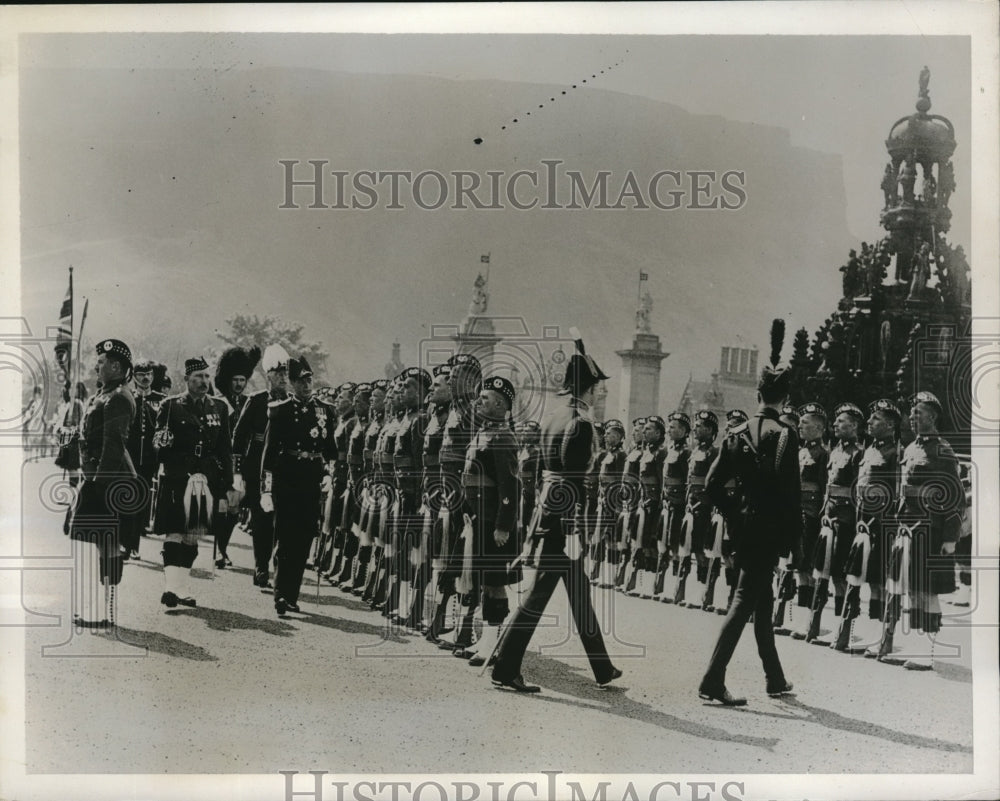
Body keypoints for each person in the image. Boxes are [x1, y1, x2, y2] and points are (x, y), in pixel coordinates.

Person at [491, 328, 622, 693]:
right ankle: (505, 667)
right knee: (537, 595)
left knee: (578, 591)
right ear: (588, 389)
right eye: (595, 388)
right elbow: (572, 483)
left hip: (547, 513)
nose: (596, 395)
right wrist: (574, 529)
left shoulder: (552, 416)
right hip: (563, 520)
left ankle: (602, 666)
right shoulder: (580, 424)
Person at [698, 340, 800, 706]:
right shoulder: (786, 435)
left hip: (742, 529)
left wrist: (735, 514)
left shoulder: (735, 435)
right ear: (784, 398)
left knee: (761, 599)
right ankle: (712, 680)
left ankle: (774, 677)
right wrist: (792, 542)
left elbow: (711, 485)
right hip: (769, 531)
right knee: (744, 601)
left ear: (758, 394)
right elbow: (791, 496)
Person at [876, 391, 963, 670]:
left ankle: (927, 650)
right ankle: (915, 644)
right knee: (912, 589)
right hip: (908, 528)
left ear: (933, 416)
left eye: (918, 412)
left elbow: (955, 498)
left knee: (928, 591)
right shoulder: (911, 448)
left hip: (931, 529)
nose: (912, 417)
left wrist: (950, 538)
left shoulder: (943, 451)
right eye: (911, 412)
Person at [153, 356, 234, 609]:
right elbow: (158, 444)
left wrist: (228, 484)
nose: (203, 381)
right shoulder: (170, 405)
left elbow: (225, 448)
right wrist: (161, 442)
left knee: (192, 535)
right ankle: (170, 587)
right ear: (186, 379)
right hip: (178, 476)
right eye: (198, 377)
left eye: (207, 376)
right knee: (174, 530)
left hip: (205, 477)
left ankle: (181, 587)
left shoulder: (219, 407)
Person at [261, 356, 337, 616]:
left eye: (309, 379)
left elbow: (331, 452)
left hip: (311, 480)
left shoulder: (325, 410)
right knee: (285, 537)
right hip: (287, 478)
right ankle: (281, 594)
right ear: (291, 383)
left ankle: (291, 595)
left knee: (304, 539)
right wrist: (266, 489)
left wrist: (329, 475)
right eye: (301, 381)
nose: (306, 385)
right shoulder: (280, 410)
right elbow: (269, 454)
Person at [68, 339, 136, 628]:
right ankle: (101, 607)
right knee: (100, 542)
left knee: (103, 542)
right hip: (99, 476)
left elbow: (113, 444)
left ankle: (101, 610)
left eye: (102, 362)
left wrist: (99, 484)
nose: (97, 365)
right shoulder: (105, 393)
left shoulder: (118, 397)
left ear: (116, 366)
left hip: (107, 480)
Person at [456, 376, 518, 667]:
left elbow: (510, 487)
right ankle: (485, 638)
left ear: (501, 404)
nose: (479, 401)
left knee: (494, 581)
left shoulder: (503, 437)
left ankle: (492, 642)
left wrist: (503, 525)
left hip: (493, 521)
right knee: (483, 579)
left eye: (486, 398)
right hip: (477, 517)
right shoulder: (483, 432)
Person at [232, 344, 288, 589]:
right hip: (257, 469)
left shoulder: (292, 403)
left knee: (282, 520)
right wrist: (237, 471)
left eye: (286, 374)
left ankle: (278, 566)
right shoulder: (256, 401)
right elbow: (238, 437)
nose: (283, 378)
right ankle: (261, 566)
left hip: (285, 469)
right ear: (269, 376)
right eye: (278, 374)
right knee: (262, 519)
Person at [807, 402, 863, 644]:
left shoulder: (858, 453)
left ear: (854, 425)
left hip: (846, 521)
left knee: (840, 575)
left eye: (841, 421)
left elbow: (858, 493)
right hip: (828, 519)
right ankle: (818, 625)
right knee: (822, 572)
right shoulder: (835, 452)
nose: (836, 425)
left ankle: (843, 628)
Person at [211, 346, 260, 569]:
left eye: (243, 380)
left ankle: (223, 547)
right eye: (235, 380)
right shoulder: (218, 402)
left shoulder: (250, 403)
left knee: (234, 508)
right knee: (221, 506)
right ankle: (218, 550)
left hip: (241, 463)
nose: (239, 384)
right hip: (221, 461)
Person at [788, 403, 829, 640]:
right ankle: (802, 616)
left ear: (819, 428)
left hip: (812, 517)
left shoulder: (824, 455)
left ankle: (813, 620)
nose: (800, 426)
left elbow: (824, 489)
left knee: (812, 568)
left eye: (805, 423)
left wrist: (821, 516)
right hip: (797, 515)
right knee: (799, 568)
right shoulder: (800, 453)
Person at [123, 360, 166, 559]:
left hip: (149, 458)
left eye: (149, 374)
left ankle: (134, 545)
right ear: (134, 377)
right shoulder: (126, 396)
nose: (145, 378)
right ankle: (124, 542)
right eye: (141, 374)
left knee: (141, 499)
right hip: (128, 456)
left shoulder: (162, 400)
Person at [627, 415, 666, 599]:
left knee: (652, 544)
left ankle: (653, 586)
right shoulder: (645, 452)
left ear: (658, 433)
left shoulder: (661, 453)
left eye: (649, 429)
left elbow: (661, 481)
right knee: (639, 542)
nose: (644, 432)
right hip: (643, 503)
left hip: (654, 505)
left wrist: (657, 502)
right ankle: (639, 582)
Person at [590, 418, 625, 588]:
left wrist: (618, 504)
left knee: (612, 539)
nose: (606, 436)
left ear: (618, 436)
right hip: (603, 501)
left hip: (613, 502)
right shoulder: (607, 455)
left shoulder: (620, 456)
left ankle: (611, 575)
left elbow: (621, 481)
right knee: (600, 536)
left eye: (610, 434)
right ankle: (597, 571)